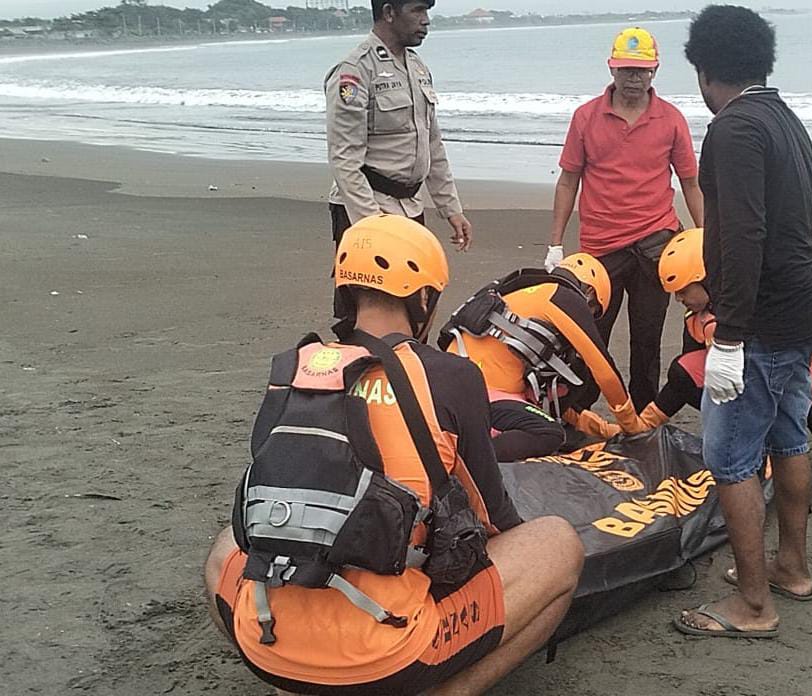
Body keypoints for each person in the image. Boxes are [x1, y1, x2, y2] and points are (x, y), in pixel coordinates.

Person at [204, 215, 584, 693]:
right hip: (389, 653)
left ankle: (292, 682)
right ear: (424, 299)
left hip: (266, 643)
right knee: (558, 542)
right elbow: (494, 517)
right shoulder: (449, 376)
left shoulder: (292, 368)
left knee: (224, 546)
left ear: (344, 293)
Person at [674, 6, 812, 639]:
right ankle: (791, 567)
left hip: (764, 318)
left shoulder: (734, 127)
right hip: (804, 304)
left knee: (730, 456)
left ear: (704, 69)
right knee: (788, 437)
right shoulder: (782, 115)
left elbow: (742, 235)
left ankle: (752, 604)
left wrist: (729, 336)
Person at [545, 27, 704, 410]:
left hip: (656, 243)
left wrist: (705, 238)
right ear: (612, 69)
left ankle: (644, 416)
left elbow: (691, 183)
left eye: (642, 70)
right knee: (590, 336)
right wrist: (555, 244)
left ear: (655, 71)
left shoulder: (671, 119)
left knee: (648, 338)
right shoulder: (586, 117)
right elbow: (568, 181)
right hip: (600, 249)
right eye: (627, 70)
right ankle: (577, 410)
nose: (634, 78)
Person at [648, 228, 812, 484]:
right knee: (684, 371)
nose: (678, 299)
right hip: (752, 375)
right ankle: (761, 441)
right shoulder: (697, 317)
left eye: (682, 291)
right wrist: (645, 423)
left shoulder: (768, 295)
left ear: (705, 277)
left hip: (803, 364)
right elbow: (687, 376)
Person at [439, 253, 649, 461]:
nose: (589, 317)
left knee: (569, 376)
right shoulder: (563, 298)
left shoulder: (521, 291)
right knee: (549, 433)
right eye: (593, 311)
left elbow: (551, 397)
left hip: (450, 387)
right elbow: (604, 370)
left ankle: (467, 448)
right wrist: (633, 427)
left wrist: (601, 428)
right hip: (483, 394)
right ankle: (467, 460)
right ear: (590, 292)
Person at [325, 0, 472, 252]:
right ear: (389, 13)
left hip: (410, 207)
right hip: (366, 207)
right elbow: (344, 160)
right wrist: (373, 224)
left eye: (426, 11)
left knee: (419, 277)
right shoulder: (355, 71)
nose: (426, 20)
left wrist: (451, 208)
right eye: (417, 10)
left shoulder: (417, 67)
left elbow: (432, 144)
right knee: (366, 280)